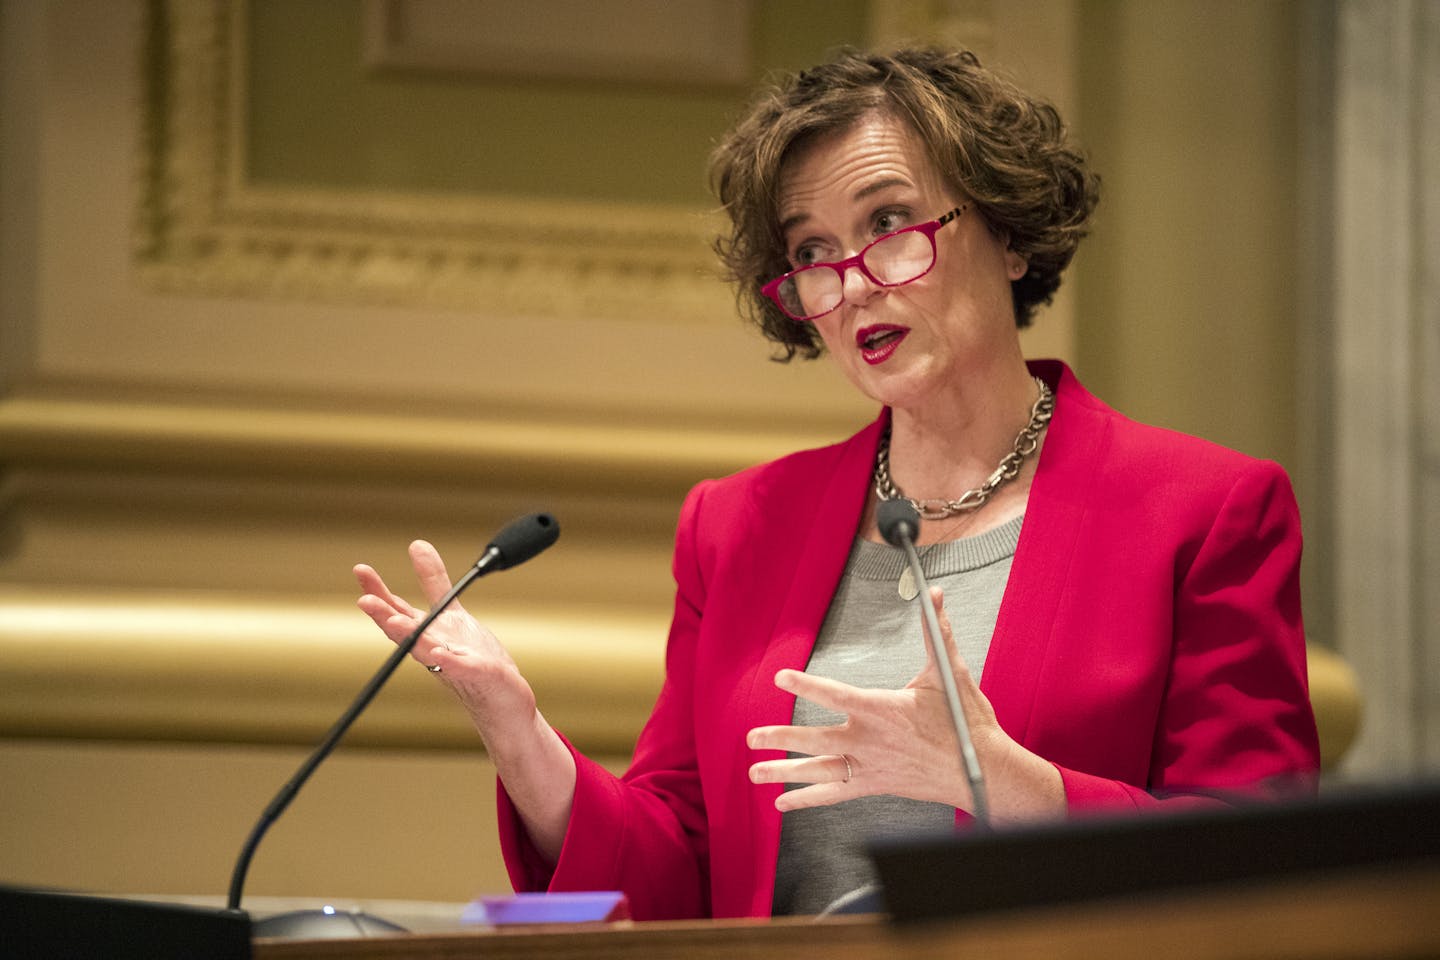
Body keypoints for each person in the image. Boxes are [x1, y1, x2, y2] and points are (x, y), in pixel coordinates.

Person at [354, 47, 1319, 920]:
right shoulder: (737, 526)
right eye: (811, 252)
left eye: (890, 224)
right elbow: (683, 867)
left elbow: (1253, 868)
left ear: (1011, 232)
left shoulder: (1201, 511)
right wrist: (522, 736)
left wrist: (1009, 783)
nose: (851, 281)